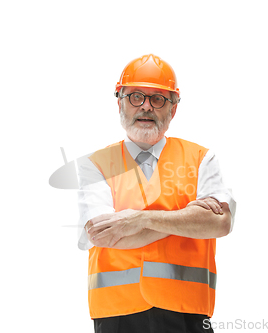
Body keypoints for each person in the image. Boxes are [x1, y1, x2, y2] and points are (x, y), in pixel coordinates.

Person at [77, 54, 236, 333]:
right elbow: (104, 234)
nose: (146, 107)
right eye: (136, 97)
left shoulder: (201, 159)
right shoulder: (95, 166)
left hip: (188, 312)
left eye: (158, 99)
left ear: (173, 109)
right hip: (117, 314)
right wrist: (189, 218)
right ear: (120, 103)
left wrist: (137, 220)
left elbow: (220, 223)